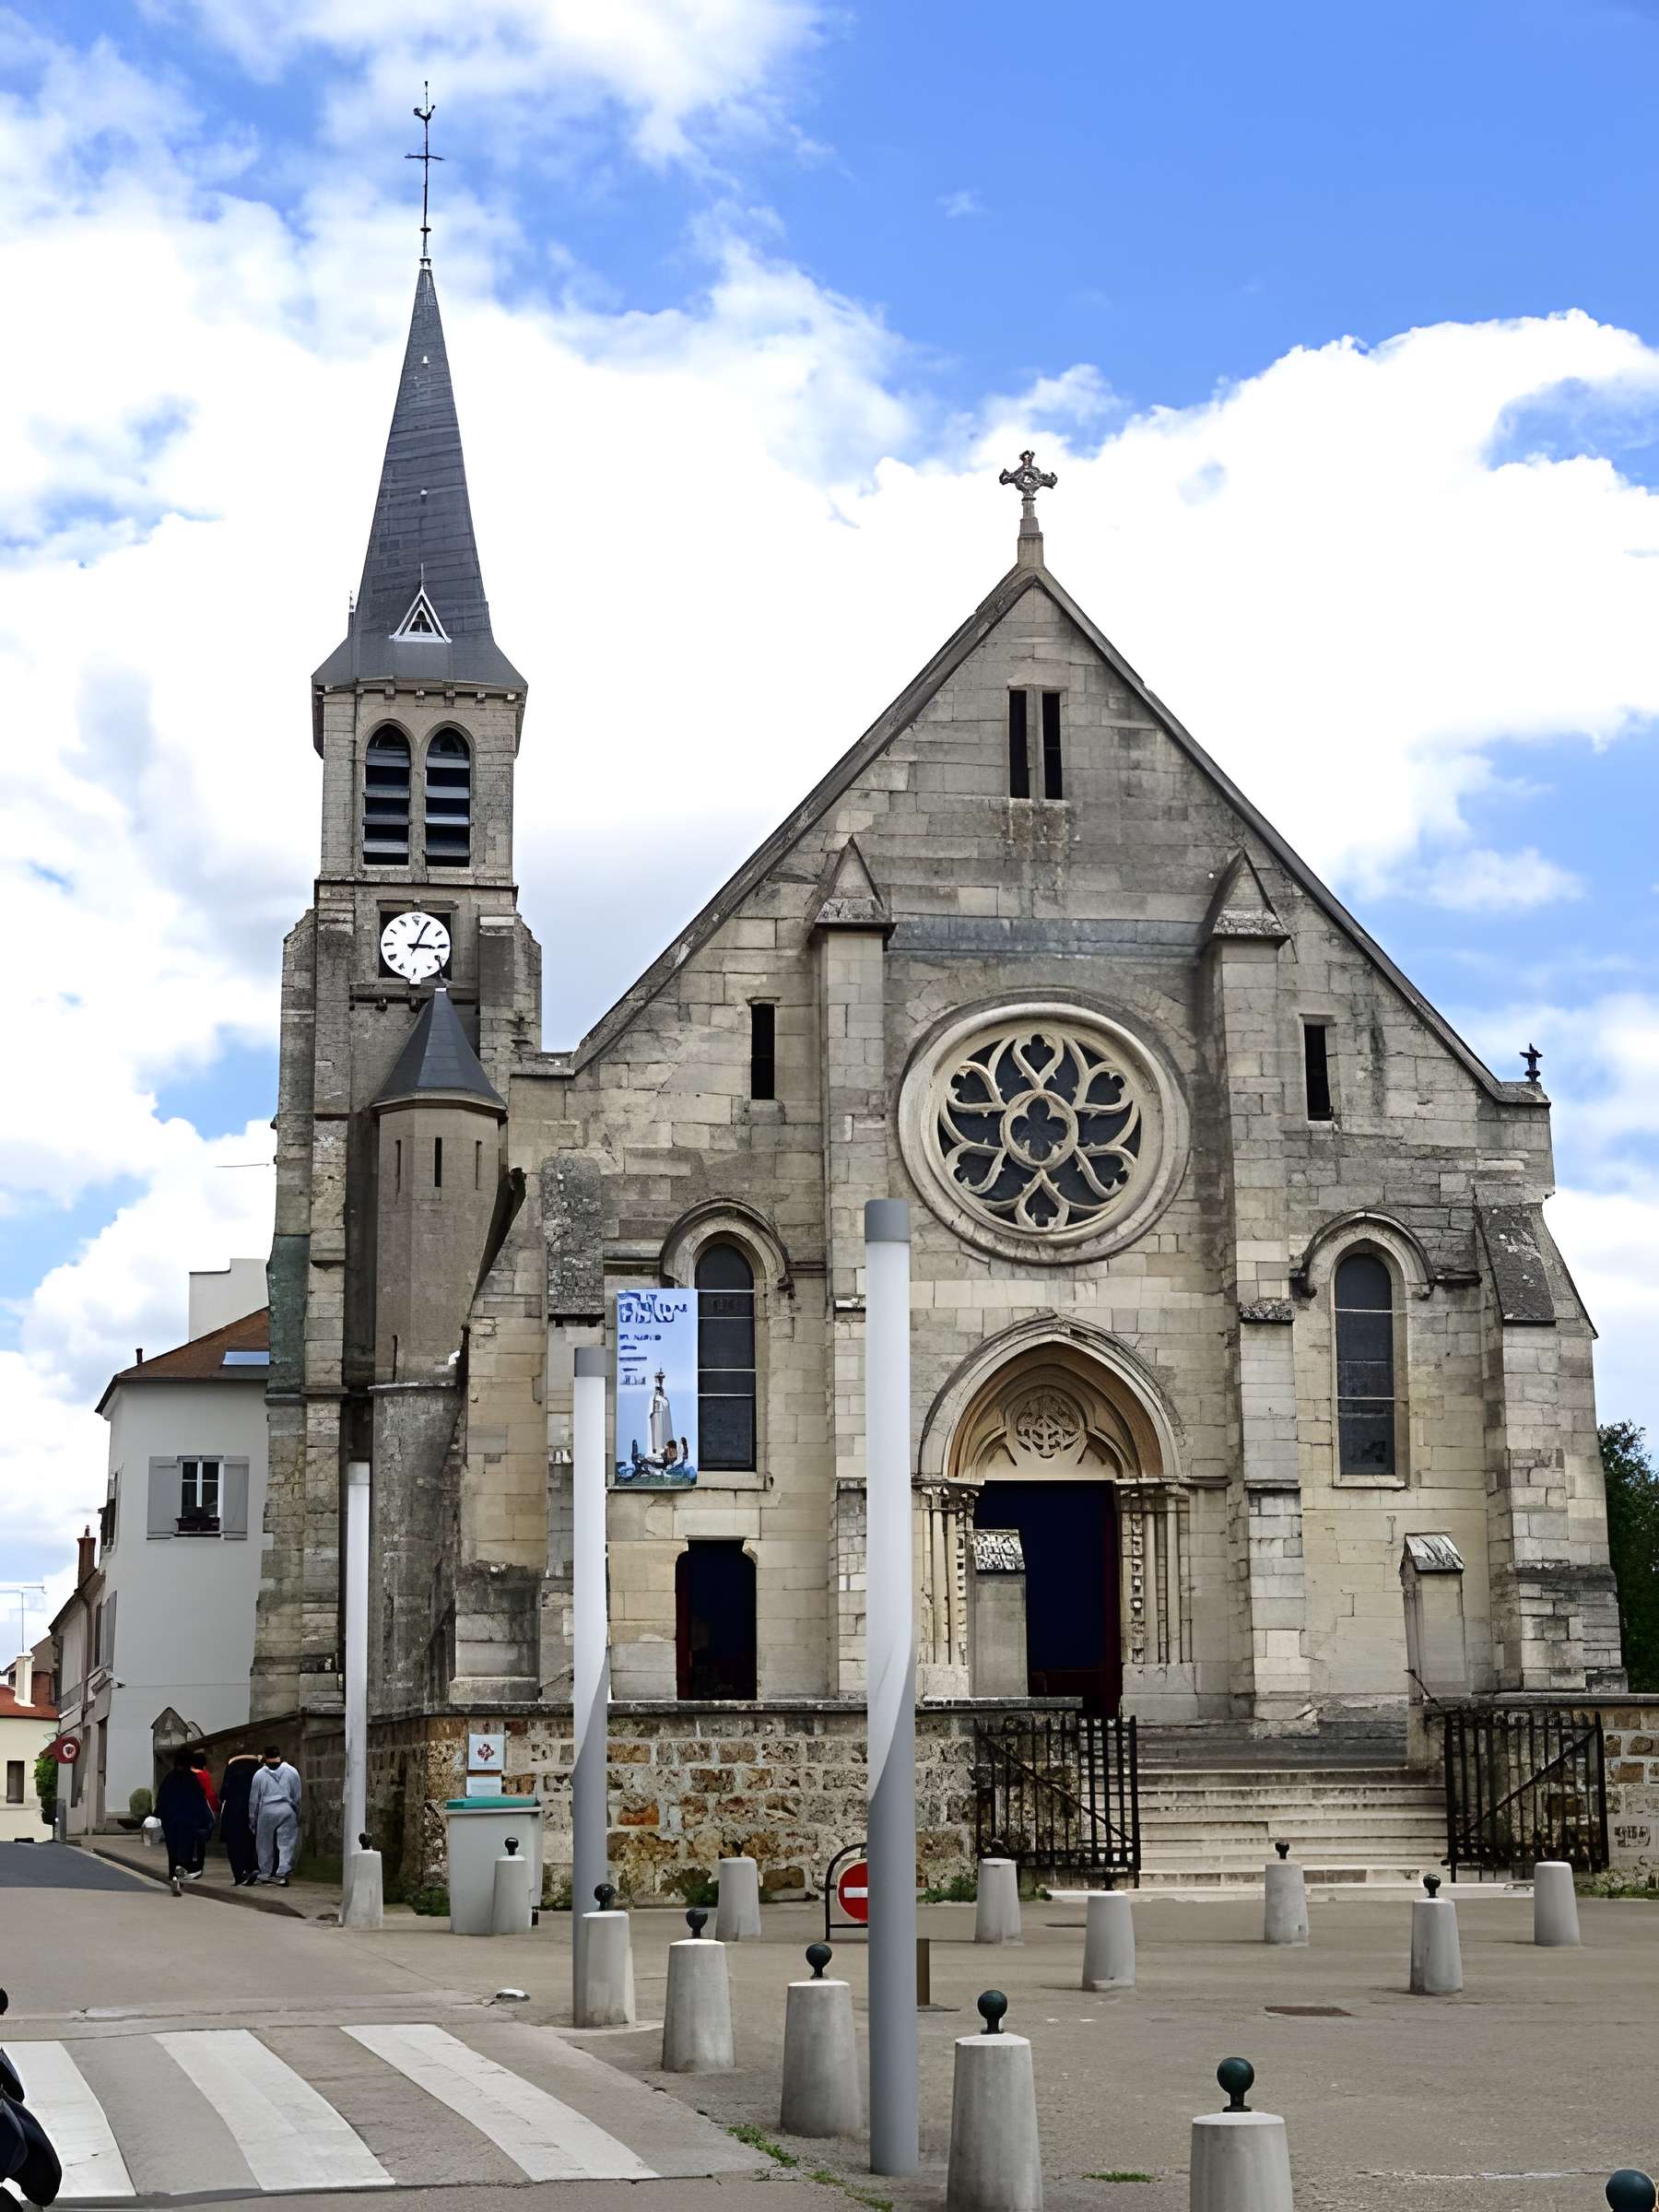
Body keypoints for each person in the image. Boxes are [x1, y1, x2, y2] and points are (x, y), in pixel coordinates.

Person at [155, 1750, 212, 1898]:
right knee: (186, 1849)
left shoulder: (169, 1778)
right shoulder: (192, 1779)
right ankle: (180, 1872)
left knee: (172, 1849)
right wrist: (204, 1820)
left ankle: (174, 1875)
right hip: (188, 1821)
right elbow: (200, 1802)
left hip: (171, 1821)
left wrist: (158, 1815)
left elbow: (161, 1800)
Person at [248, 1746, 301, 1886]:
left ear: (265, 1757)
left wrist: (252, 1820)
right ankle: (283, 1873)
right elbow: (297, 1796)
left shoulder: (259, 1774)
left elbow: (254, 1800)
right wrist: (296, 1812)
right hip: (287, 1808)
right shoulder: (292, 1771)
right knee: (287, 1843)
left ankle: (265, 1872)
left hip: (267, 1810)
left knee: (264, 1843)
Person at [218, 1753, 259, 1887]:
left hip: (234, 1812)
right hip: (254, 1811)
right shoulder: (259, 1768)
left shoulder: (232, 1768)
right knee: (251, 1842)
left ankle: (239, 1874)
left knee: (234, 1844)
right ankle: (252, 1868)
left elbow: (224, 1792)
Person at [188, 1751, 219, 1877]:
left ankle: (193, 1867)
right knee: (200, 1842)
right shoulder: (205, 1775)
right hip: (204, 1813)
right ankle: (197, 1867)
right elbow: (210, 1794)